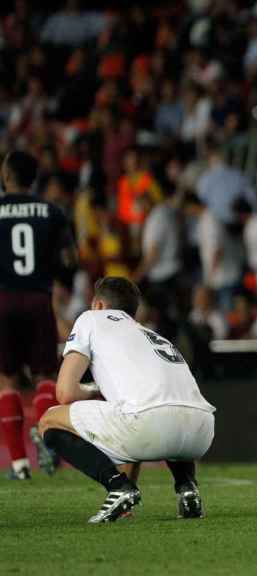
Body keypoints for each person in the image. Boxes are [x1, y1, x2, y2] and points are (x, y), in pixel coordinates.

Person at [37, 277, 216, 523]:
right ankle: (187, 488)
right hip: (202, 431)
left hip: (150, 424)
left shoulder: (91, 318)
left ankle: (117, 487)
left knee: (49, 421)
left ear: (98, 305)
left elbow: (65, 393)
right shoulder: (151, 334)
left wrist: (93, 389)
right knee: (148, 407)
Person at [0, 150, 76, 480]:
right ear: (33, 179)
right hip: (38, 299)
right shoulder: (52, 212)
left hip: (2, 301)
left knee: (6, 381)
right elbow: (70, 259)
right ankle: (48, 441)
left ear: (6, 176)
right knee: (45, 374)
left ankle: (18, 463)